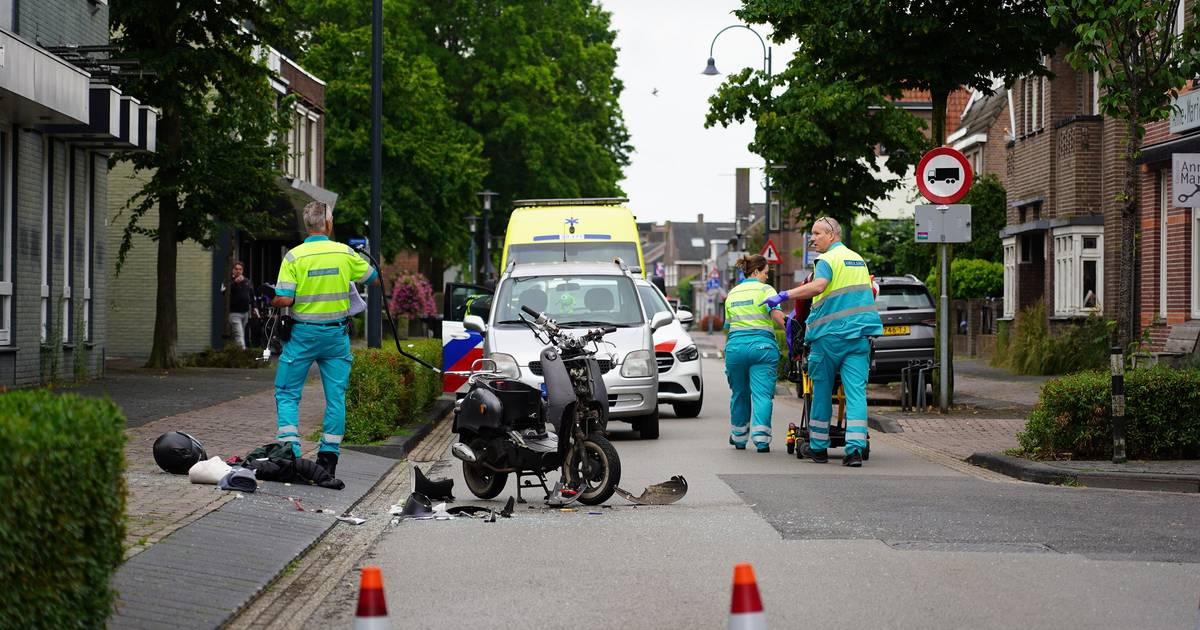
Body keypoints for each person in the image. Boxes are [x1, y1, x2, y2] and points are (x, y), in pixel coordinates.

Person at [762, 216, 883, 467]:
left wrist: (784, 295)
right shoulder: (858, 260)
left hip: (829, 337)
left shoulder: (827, 260)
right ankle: (854, 450)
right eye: (812, 234)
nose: (812, 239)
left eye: (817, 234)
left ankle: (818, 448)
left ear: (832, 235)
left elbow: (818, 287)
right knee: (856, 394)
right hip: (859, 336)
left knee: (821, 394)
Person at [270, 201, 378, 478]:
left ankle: (290, 453)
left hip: (302, 335)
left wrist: (276, 298)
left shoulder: (294, 257)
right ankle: (328, 459)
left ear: (307, 225)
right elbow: (372, 277)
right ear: (329, 224)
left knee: (287, 393)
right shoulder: (344, 253)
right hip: (335, 336)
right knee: (335, 397)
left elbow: (285, 298)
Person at [724, 254, 787, 453]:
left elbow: (728, 325)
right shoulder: (766, 290)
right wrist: (795, 331)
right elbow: (778, 317)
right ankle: (761, 439)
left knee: (739, 393)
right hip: (762, 349)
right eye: (766, 273)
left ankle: (739, 437)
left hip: (735, 349)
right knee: (762, 395)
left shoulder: (732, 293)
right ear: (757, 271)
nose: (767, 277)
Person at [226, 261, 256, 349]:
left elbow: (251, 295)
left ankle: (234, 353)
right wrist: (235, 283)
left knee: (240, 334)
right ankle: (244, 354)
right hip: (234, 313)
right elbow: (224, 292)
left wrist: (254, 307)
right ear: (233, 270)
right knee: (239, 335)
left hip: (245, 312)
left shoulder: (247, 281)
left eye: (240, 269)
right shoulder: (229, 281)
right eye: (236, 269)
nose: (238, 271)